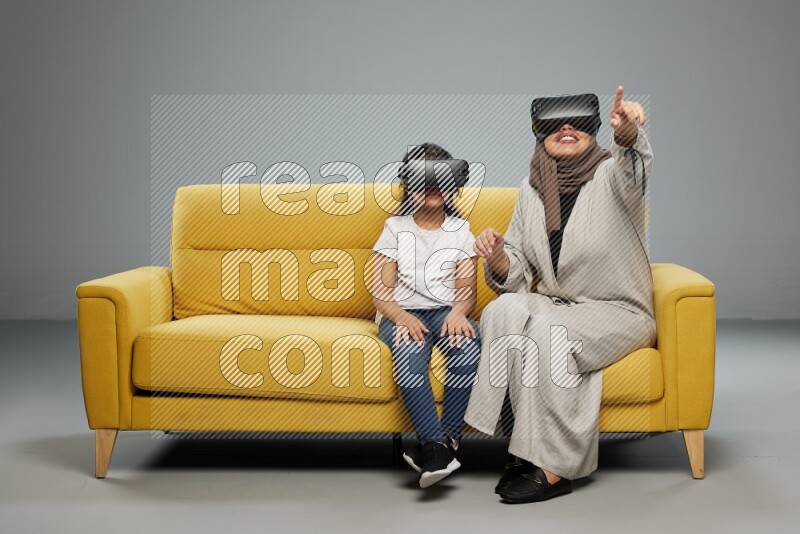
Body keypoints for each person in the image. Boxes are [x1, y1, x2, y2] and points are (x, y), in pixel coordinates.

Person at [464, 86, 656, 503]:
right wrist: (497, 257)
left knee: (546, 334)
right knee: (502, 311)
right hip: (558, 304)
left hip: (617, 310)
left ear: (593, 131)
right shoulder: (531, 189)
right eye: (554, 123)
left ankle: (556, 467)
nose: (567, 128)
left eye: (580, 122)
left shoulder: (613, 174)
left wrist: (628, 135)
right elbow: (518, 267)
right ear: (539, 133)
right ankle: (521, 445)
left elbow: (636, 170)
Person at [372, 143, 481, 488]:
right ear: (409, 183)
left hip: (446, 311)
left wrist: (460, 312)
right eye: (423, 178)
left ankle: (444, 444)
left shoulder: (461, 231)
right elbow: (380, 293)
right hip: (401, 312)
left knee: (467, 346)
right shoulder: (395, 228)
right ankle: (433, 443)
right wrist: (401, 318)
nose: (433, 186)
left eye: (440, 178)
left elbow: (467, 289)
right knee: (409, 352)